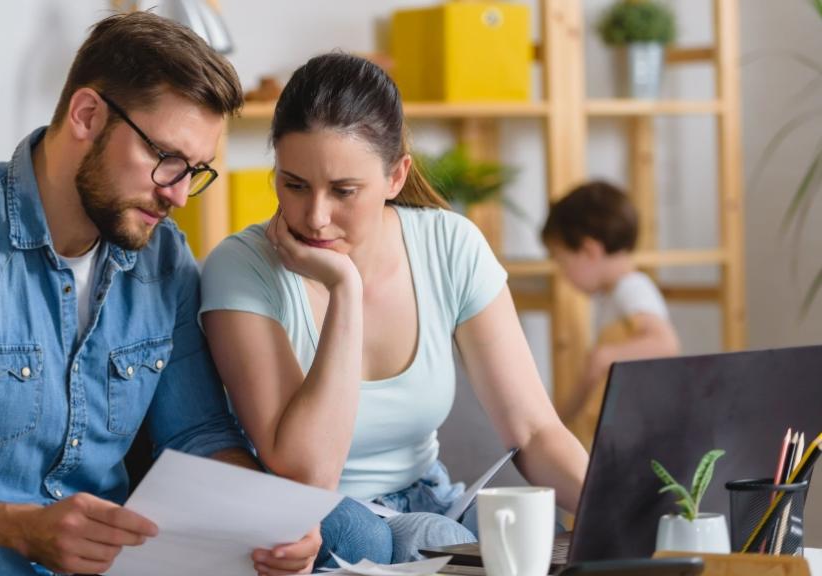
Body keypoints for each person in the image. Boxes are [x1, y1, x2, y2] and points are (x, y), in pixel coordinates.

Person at [0, 14, 387, 576]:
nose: (178, 194)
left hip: (106, 562)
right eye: (166, 159)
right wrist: (23, 529)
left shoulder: (162, 257)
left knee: (348, 531)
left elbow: (199, 439)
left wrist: (272, 525)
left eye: (194, 171)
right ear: (87, 115)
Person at [199, 53, 589, 563]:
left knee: (528, 529)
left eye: (344, 191)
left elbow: (535, 431)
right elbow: (303, 472)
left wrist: (621, 510)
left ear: (396, 177)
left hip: (428, 498)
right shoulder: (240, 267)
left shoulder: (450, 246)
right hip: (314, 515)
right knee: (371, 539)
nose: (315, 217)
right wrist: (345, 290)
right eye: (294, 185)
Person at [541, 180, 681, 449]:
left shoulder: (632, 287)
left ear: (589, 250)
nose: (563, 274)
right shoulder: (613, 295)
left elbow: (665, 343)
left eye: (562, 261)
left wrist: (603, 356)